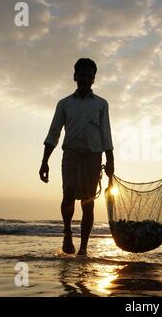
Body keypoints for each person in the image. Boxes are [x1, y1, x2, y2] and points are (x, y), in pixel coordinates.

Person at [39, 58, 114, 256]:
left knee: (88, 202)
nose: (85, 78)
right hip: (70, 154)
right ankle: (67, 233)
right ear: (75, 77)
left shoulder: (101, 104)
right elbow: (53, 132)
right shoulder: (64, 104)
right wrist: (44, 161)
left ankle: (83, 248)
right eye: (82, 74)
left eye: (89, 75)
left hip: (93, 156)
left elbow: (106, 134)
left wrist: (110, 161)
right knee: (68, 195)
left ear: (93, 79)